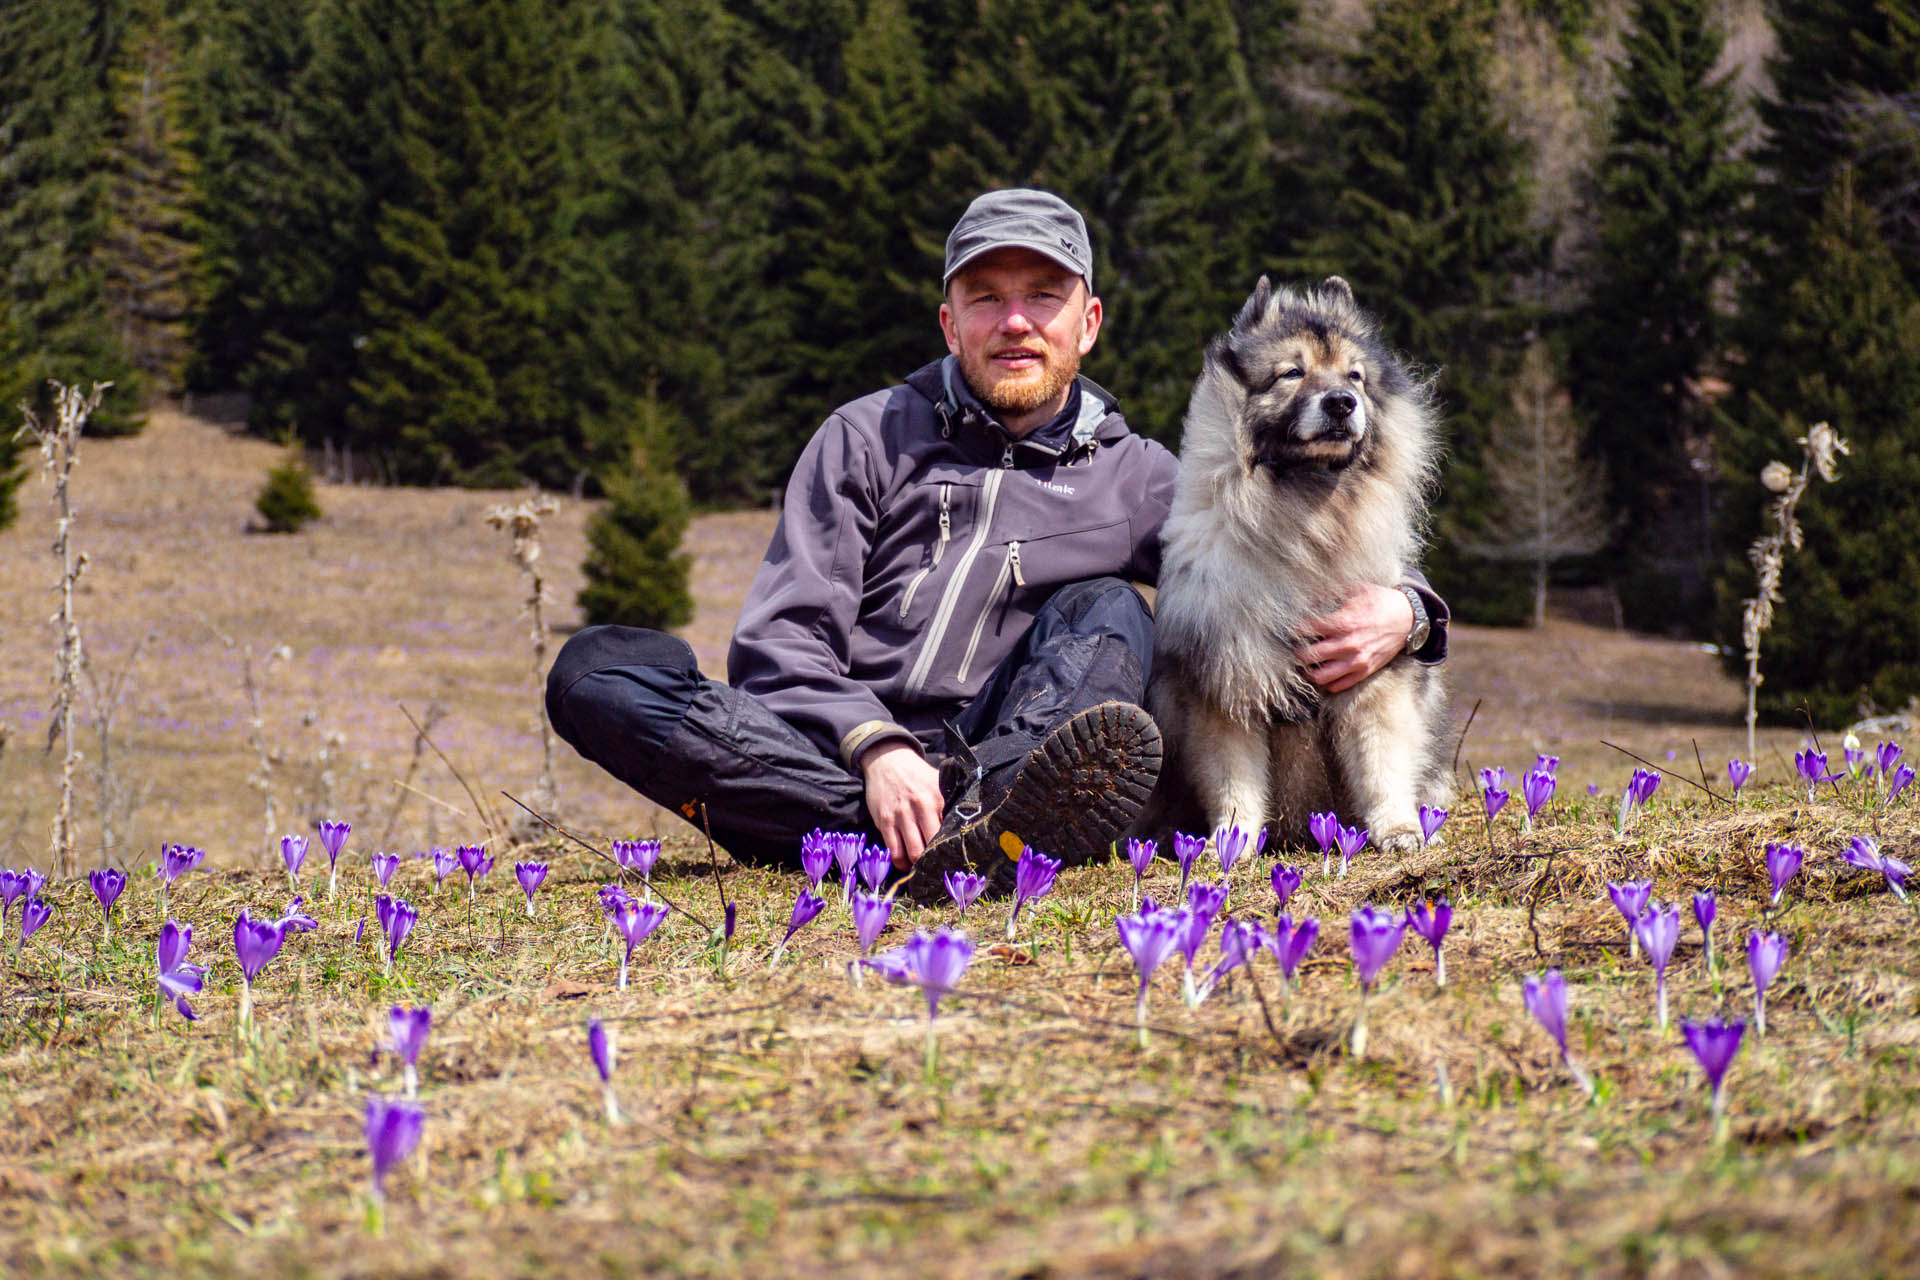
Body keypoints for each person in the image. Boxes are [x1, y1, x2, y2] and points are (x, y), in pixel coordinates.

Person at [545, 189, 1448, 898]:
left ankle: (953, 828)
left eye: (1043, 297)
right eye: (987, 298)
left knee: (1105, 612)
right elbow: (779, 645)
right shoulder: (863, 437)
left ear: (1086, 324)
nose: (1015, 322)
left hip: (1010, 759)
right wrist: (876, 748)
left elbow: (1275, 564)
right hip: (831, 764)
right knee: (596, 674)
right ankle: (940, 846)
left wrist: (1408, 611)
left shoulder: (1142, 477)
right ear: (951, 322)